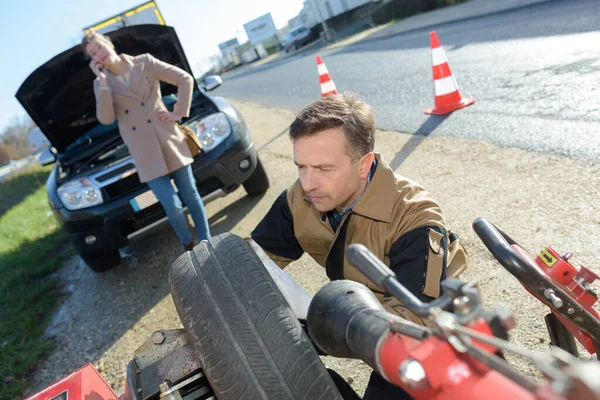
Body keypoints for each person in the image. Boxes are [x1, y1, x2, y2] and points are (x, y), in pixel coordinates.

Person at [250, 92, 469, 399]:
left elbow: (416, 323)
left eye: (324, 168)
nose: (308, 182)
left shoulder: (415, 216)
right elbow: (248, 262)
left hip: (430, 328)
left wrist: (316, 320)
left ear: (364, 165)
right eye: (301, 166)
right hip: (363, 308)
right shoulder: (301, 197)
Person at [82, 30, 211, 252]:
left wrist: (178, 112)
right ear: (93, 60)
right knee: (171, 205)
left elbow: (184, 79)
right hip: (143, 150)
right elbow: (106, 118)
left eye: (100, 47)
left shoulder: (144, 62)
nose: (99, 53)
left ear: (108, 43)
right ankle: (187, 243)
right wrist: (103, 84)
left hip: (167, 136)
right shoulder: (101, 84)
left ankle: (206, 241)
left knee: (190, 193)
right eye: (93, 53)